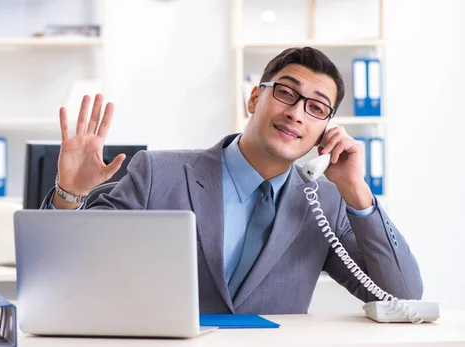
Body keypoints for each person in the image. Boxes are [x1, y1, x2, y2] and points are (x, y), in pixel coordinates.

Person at [41, 47, 423, 315]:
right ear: (254, 99)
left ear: (326, 128)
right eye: (286, 93)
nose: (296, 114)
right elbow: (69, 272)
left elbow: (401, 297)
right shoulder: (158, 173)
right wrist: (70, 193)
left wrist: (357, 193)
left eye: (317, 108)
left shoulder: (325, 202)